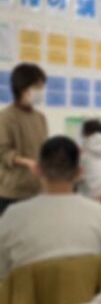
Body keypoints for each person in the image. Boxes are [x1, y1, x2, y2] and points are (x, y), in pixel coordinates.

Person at [0, 136, 101, 281]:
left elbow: (3, 273)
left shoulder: (13, 216)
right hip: (83, 293)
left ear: (37, 170)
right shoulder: (99, 213)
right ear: (79, 173)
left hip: (27, 295)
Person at [0, 63, 48, 214]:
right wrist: (26, 161)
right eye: (38, 87)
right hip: (12, 191)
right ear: (24, 88)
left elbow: (43, 149)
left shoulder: (40, 118)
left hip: (37, 189)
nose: (42, 91)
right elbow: (3, 152)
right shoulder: (6, 117)